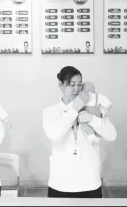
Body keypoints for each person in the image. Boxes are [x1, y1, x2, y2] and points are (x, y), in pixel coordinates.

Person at [42, 66, 117, 198]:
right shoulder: (51, 112)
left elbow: (112, 135)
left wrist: (92, 119)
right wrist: (74, 110)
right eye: (72, 85)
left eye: (79, 84)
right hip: (61, 185)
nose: (77, 89)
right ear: (61, 84)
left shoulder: (92, 108)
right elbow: (55, 134)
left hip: (90, 183)